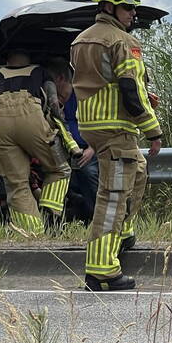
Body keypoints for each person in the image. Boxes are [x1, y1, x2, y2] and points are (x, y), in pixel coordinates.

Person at [71, 0, 162, 291]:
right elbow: (129, 88)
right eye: (128, 8)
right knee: (112, 196)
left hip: (92, 125)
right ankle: (102, 269)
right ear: (109, 6)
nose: (133, 14)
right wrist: (153, 129)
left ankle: (122, 234)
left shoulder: (80, 40)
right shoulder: (122, 41)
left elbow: (102, 82)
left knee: (138, 170)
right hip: (116, 126)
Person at [0, 50, 77, 234]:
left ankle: (32, 232)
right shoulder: (39, 71)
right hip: (30, 116)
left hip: (0, 123)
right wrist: (64, 132)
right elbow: (54, 105)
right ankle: (50, 213)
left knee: (16, 184)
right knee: (60, 168)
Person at [45, 57, 99, 224]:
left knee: (88, 173)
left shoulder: (83, 95)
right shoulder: (50, 100)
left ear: (61, 79)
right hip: (62, 150)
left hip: (88, 149)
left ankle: (97, 218)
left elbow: (99, 123)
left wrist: (92, 149)